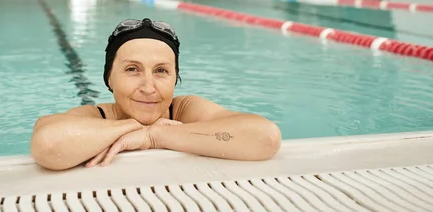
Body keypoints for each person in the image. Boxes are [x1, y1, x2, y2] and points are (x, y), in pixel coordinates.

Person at [31, 18, 281, 171]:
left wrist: (154, 136)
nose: (148, 87)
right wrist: (133, 126)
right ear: (109, 78)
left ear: (175, 78)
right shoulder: (97, 116)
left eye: (161, 71)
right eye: (132, 69)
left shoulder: (185, 109)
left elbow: (265, 137)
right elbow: (49, 144)